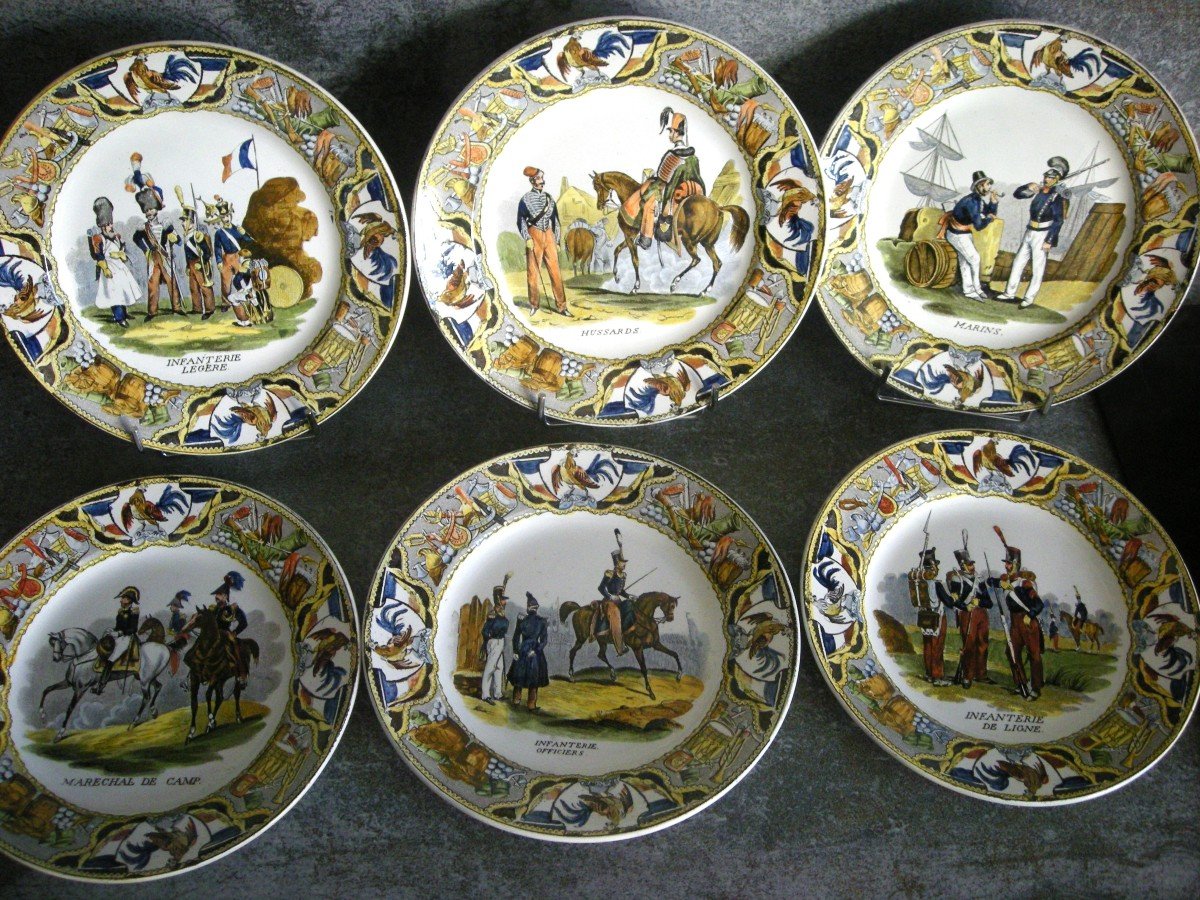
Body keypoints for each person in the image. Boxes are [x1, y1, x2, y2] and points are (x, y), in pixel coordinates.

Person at [624, 107, 705, 248]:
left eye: (670, 131)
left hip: (673, 191)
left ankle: (646, 239)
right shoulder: (692, 155)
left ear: (676, 133)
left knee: (649, 204)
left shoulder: (672, 154)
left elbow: (663, 177)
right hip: (690, 189)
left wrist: (652, 178)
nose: (669, 135)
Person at [998, 156, 1069, 309]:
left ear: (1056, 180)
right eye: (1046, 177)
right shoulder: (1039, 191)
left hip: (1043, 234)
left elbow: (1058, 221)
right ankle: (1009, 293)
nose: (1046, 179)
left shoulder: (1057, 197)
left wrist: (1049, 240)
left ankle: (1028, 298)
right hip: (1030, 231)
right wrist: (1028, 186)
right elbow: (1018, 194)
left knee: (1037, 268)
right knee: (1018, 263)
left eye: (1050, 178)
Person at [988, 542, 1044, 699]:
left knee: (1034, 655)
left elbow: (1039, 604)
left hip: (1027, 622)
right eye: (1005, 563)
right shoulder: (1006, 580)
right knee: (1011, 652)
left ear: (1016, 564)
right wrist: (1000, 583)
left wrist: (1030, 615)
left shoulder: (1023, 583)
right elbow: (989, 582)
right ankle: (1021, 683)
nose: (1006, 566)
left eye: (1008, 563)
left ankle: (1036, 687)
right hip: (1014, 623)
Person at [515, 166, 569, 316]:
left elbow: (556, 221)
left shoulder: (549, 198)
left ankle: (562, 306)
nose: (542, 181)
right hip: (534, 235)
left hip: (549, 235)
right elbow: (521, 220)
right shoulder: (525, 199)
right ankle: (534, 304)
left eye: (542, 178)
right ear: (532, 181)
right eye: (539, 178)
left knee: (556, 272)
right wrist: (527, 238)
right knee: (533, 273)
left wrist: (557, 241)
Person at [944, 537, 992, 688]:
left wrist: (979, 603)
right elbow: (954, 601)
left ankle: (981, 674)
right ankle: (967, 676)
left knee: (983, 643)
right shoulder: (956, 579)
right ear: (962, 565)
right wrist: (966, 607)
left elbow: (989, 602)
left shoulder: (979, 579)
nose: (972, 566)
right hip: (966, 614)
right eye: (969, 564)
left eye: (972, 564)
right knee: (968, 645)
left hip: (981, 614)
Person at [944, 171, 999, 301]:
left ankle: (969, 290)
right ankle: (976, 289)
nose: (990, 187)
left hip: (963, 233)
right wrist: (989, 219)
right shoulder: (971, 202)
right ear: (979, 185)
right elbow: (979, 225)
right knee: (974, 259)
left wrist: (993, 202)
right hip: (956, 234)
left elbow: (989, 212)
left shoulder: (977, 199)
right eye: (987, 184)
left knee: (965, 262)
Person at [87, 196, 140, 327]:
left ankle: (124, 313)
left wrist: (122, 254)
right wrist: (105, 269)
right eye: (107, 224)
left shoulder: (116, 236)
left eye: (110, 223)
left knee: (123, 290)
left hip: (119, 267)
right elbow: (98, 256)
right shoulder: (98, 238)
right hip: (109, 268)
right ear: (101, 225)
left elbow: (122, 248)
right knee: (114, 293)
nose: (110, 226)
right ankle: (119, 317)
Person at [131, 185, 183, 320]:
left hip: (165, 257)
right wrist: (146, 249)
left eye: (151, 209)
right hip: (153, 258)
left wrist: (173, 237)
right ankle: (152, 311)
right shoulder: (143, 228)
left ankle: (176, 307)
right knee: (152, 283)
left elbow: (179, 241)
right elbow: (136, 239)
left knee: (171, 281)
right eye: (146, 210)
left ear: (156, 209)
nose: (149, 212)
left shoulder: (166, 224)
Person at [908, 547, 952, 685]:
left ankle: (929, 673)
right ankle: (937, 676)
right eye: (936, 566)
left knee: (928, 645)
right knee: (937, 646)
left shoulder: (919, 584)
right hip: (936, 617)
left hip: (924, 617)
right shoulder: (936, 585)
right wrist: (954, 598)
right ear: (932, 568)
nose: (937, 569)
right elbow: (949, 602)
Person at [593, 530, 635, 655]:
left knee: (631, 607)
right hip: (608, 602)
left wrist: (629, 596)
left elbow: (621, 591)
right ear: (617, 563)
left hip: (618, 600)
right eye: (622, 562)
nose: (624, 564)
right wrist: (610, 596)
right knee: (616, 615)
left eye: (624, 562)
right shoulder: (610, 574)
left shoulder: (623, 575)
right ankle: (620, 647)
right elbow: (601, 588)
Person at [95, 586, 140, 693]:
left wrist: (120, 633)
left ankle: (101, 685)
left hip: (127, 638)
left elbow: (133, 629)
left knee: (112, 658)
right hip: (119, 636)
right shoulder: (120, 612)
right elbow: (118, 626)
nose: (121, 600)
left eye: (123, 598)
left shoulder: (134, 612)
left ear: (129, 600)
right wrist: (112, 631)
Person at [508, 592, 549, 710]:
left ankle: (523, 702)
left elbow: (544, 640)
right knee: (524, 677)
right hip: (530, 651)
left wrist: (517, 651)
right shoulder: (539, 621)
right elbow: (516, 637)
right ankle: (524, 703)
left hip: (527, 650)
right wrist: (517, 651)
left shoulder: (526, 620)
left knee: (527, 677)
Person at [179, 200, 215, 319]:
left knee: (205, 287)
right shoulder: (186, 235)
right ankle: (197, 308)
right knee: (193, 287)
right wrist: (187, 266)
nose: (182, 223)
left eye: (184, 220)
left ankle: (209, 309)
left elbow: (207, 252)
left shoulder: (197, 235)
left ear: (191, 222)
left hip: (200, 264)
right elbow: (187, 254)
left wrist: (202, 262)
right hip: (191, 264)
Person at [479, 575, 510, 703]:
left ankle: (497, 693)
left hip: (500, 642)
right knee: (490, 668)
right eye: (503, 600)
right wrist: (490, 639)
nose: (505, 602)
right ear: (498, 600)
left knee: (499, 668)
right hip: (494, 642)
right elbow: (485, 631)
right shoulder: (493, 614)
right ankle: (485, 694)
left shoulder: (502, 613)